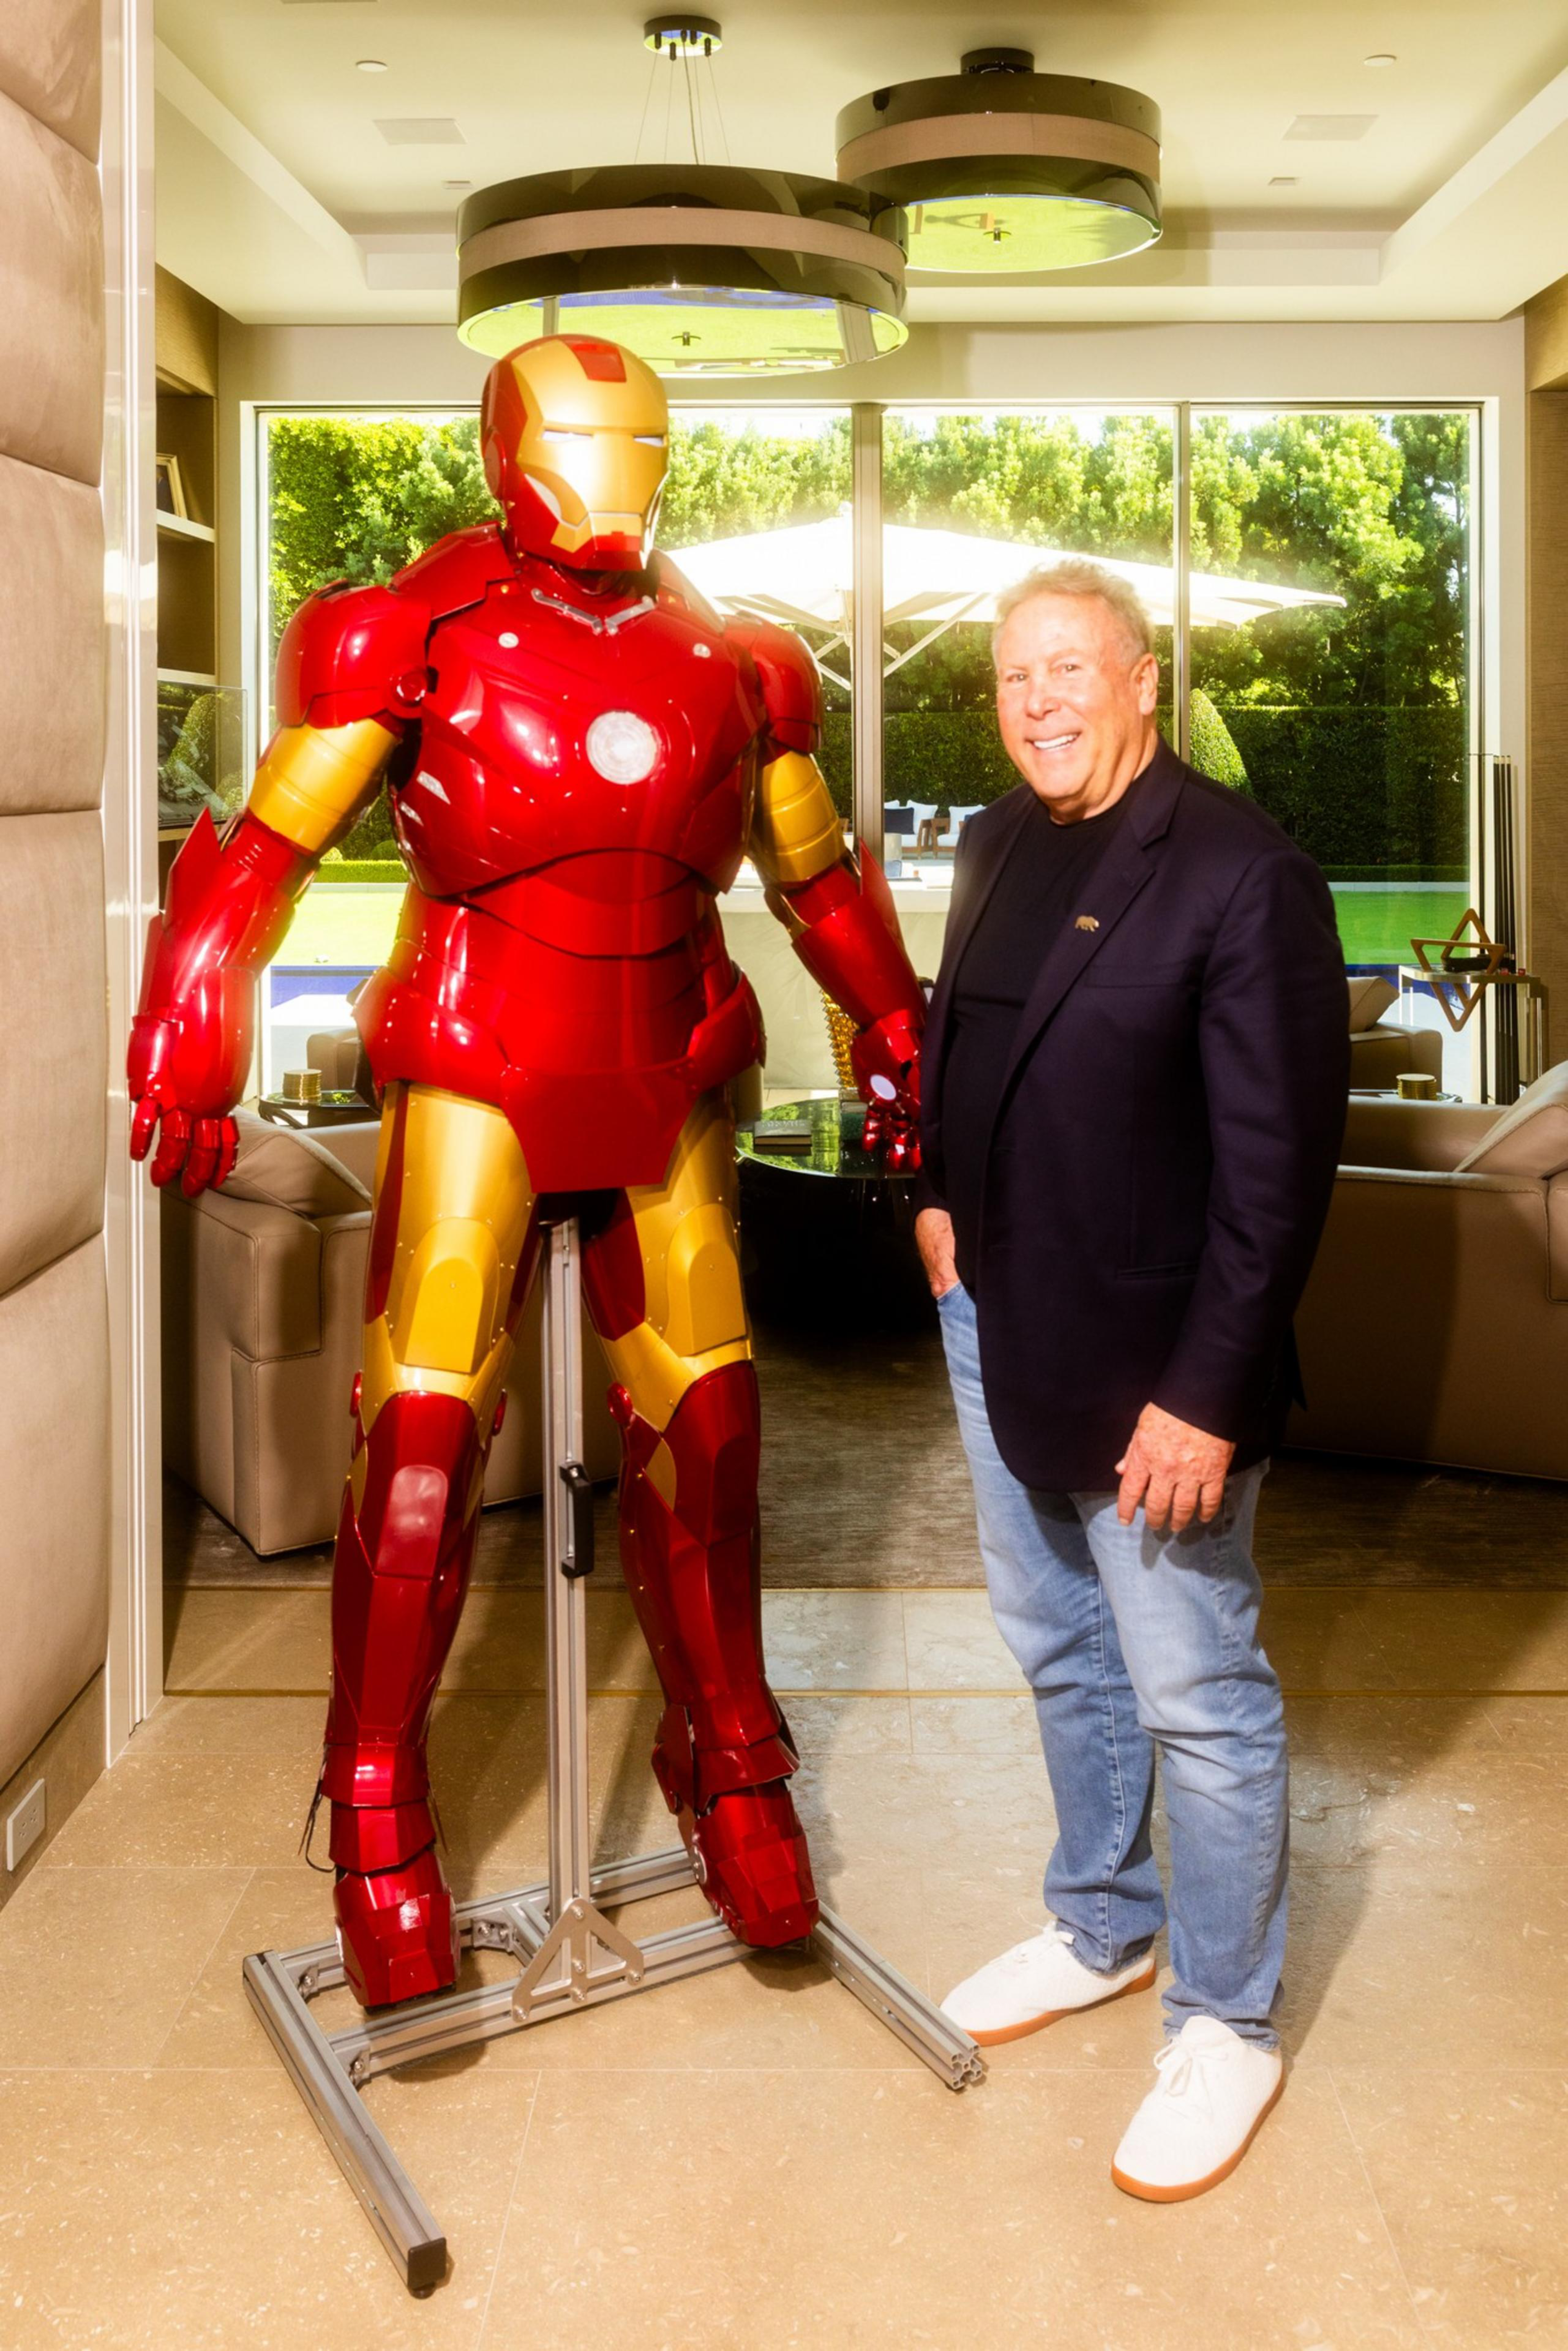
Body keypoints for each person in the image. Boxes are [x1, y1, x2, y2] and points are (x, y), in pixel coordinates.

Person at [127, 332, 926, 2007]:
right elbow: (265, 844)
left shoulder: (736, 660)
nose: (612, 481)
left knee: (712, 1423)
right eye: (582, 444)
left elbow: (816, 875)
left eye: (640, 448)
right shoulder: (409, 632)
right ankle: (373, 1802)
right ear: (512, 450)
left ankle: (728, 1754)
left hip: (671, 1061)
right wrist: (193, 1008)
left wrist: (893, 1017)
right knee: (423, 1433)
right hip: (476, 1058)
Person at [916, 559, 1347, 2201]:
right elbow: (968, 1044)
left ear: (1142, 679)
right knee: (1057, 1644)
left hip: (1161, 1372)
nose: (1037, 702)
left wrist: (1210, 1391)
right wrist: (939, 1204)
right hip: (997, 1318)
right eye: (1013, 675)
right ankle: (1102, 1921)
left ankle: (1228, 2020)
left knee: (1197, 1693)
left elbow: (1278, 1176)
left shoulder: (1243, 874)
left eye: (1068, 669)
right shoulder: (994, 838)